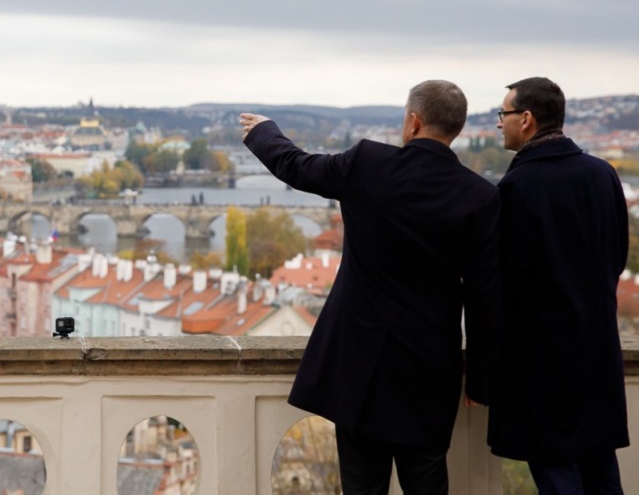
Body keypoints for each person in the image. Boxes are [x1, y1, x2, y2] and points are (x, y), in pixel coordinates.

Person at [240, 79, 500, 494]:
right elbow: (485, 296)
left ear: (413, 121)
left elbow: (297, 166)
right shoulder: (481, 196)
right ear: (457, 128)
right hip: (430, 368)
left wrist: (264, 130)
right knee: (428, 482)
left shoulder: (368, 164)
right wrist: (481, 379)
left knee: (363, 485)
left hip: (360, 363)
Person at [487, 77, 629, 493]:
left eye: (504, 114)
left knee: (556, 474)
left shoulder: (518, 186)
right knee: (601, 472)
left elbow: (506, 279)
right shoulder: (603, 175)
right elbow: (616, 257)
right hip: (598, 352)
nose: (499, 124)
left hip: (542, 362)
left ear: (526, 119)